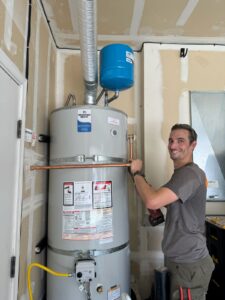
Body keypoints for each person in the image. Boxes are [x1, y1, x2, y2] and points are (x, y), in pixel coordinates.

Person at [130, 123, 214, 300]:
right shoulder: (180, 174)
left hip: (189, 264)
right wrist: (145, 184)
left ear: (193, 145)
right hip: (178, 260)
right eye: (171, 140)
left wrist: (136, 173)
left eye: (180, 141)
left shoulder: (190, 174)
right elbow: (160, 199)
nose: (173, 145)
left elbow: (152, 199)